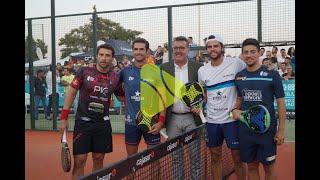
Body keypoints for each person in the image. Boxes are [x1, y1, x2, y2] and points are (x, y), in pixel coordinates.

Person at [59, 43, 124, 180]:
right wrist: (64, 118)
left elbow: (121, 96)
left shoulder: (115, 77)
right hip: (83, 124)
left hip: (103, 125)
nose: (104, 58)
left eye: (107, 55)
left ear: (112, 58)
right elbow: (71, 92)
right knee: (80, 161)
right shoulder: (84, 72)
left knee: (99, 158)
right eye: (101, 55)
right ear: (97, 56)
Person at [232, 38, 286, 180]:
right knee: (252, 166)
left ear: (258, 53)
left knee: (269, 167)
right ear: (242, 54)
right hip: (246, 130)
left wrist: (281, 130)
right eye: (246, 52)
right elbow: (239, 99)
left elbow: (281, 102)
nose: (249, 55)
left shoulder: (272, 75)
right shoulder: (239, 76)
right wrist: (234, 111)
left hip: (267, 130)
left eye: (252, 52)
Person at [197, 34, 247, 180]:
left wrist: (239, 101)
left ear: (221, 47)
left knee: (237, 157)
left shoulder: (236, 63)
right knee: (215, 156)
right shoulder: (202, 71)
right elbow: (204, 94)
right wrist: (199, 105)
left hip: (232, 120)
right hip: (212, 121)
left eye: (216, 46)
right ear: (207, 49)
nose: (213, 49)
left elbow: (248, 76)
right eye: (209, 46)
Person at [160, 36, 203, 179]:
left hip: (192, 118)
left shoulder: (197, 67)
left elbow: (205, 91)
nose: (178, 51)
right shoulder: (164, 67)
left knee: (195, 156)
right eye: (176, 48)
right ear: (172, 50)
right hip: (173, 119)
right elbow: (161, 94)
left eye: (182, 48)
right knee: (176, 158)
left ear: (188, 49)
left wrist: (200, 105)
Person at [119, 38, 164, 157]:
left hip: (152, 123)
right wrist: (122, 98)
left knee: (155, 161)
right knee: (131, 161)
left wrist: (161, 122)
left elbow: (162, 98)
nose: (138, 52)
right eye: (136, 49)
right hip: (131, 123)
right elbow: (114, 88)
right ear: (132, 51)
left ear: (147, 51)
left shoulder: (156, 71)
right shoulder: (125, 72)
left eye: (141, 49)